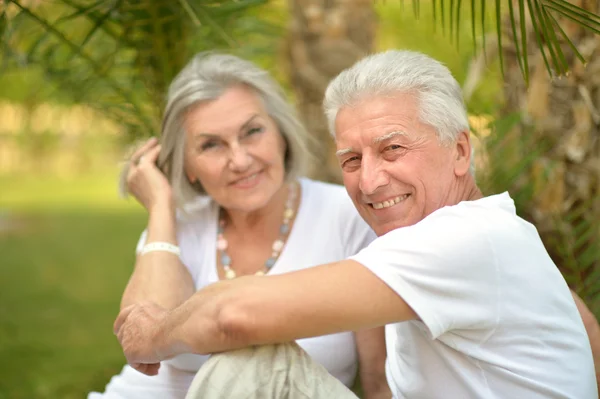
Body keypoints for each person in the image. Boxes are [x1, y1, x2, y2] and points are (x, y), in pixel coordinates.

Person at [113, 50, 599, 398]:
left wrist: (150, 337)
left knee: (252, 363)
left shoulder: (465, 239)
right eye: (351, 159)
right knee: (259, 363)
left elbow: (231, 315)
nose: (369, 181)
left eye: (393, 149)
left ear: (460, 150)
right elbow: (582, 327)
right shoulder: (469, 233)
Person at [89, 53, 391, 399]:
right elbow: (143, 346)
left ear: (281, 135)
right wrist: (160, 209)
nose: (240, 160)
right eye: (211, 145)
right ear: (188, 165)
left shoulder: (346, 216)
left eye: (252, 132)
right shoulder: (175, 228)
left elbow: (379, 380)